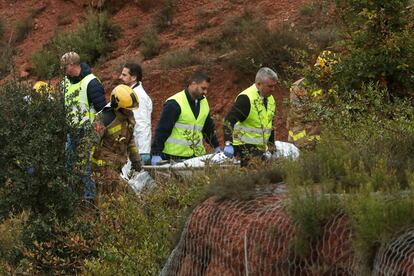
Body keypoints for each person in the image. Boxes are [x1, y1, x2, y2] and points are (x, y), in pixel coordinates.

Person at [60, 51, 106, 200]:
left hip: (88, 131)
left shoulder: (91, 83)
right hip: (71, 131)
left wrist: (96, 132)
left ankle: (89, 199)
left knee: (85, 167)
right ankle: (71, 198)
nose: (63, 70)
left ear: (73, 65)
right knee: (68, 166)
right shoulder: (65, 83)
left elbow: (103, 110)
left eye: (65, 67)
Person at [151, 71, 220, 165]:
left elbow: (208, 129)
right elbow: (162, 130)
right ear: (193, 83)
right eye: (203, 88)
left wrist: (216, 146)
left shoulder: (204, 102)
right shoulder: (175, 103)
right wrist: (156, 153)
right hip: (173, 156)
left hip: (196, 156)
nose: (205, 92)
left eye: (206, 89)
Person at [90, 84, 141, 199]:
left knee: (115, 201)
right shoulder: (104, 119)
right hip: (103, 169)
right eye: (127, 109)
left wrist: (136, 159)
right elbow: (91, 142)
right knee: (125, 198)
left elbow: (130, 140)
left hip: (117, 167)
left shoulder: (129, 118)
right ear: (117, 105)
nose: (130, 111)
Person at [223, 67, 278, 166]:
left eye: (274, 86)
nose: (273, 89)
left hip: (260, 148)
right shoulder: (246, 99)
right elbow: (228, 121)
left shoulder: (270, 99)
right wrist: (228, 143)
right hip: (243, 148)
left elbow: (270, 124)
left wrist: (271, 145)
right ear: (259, 84)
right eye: (270, 86)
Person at [119, 62, 152, 165]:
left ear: (133, 77)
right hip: (127, 145)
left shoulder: (138, 97)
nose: (120, 77)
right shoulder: (129, 94)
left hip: (135, 147)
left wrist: (143, 151)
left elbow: (142, 124)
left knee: (133, 178)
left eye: (124, 75)